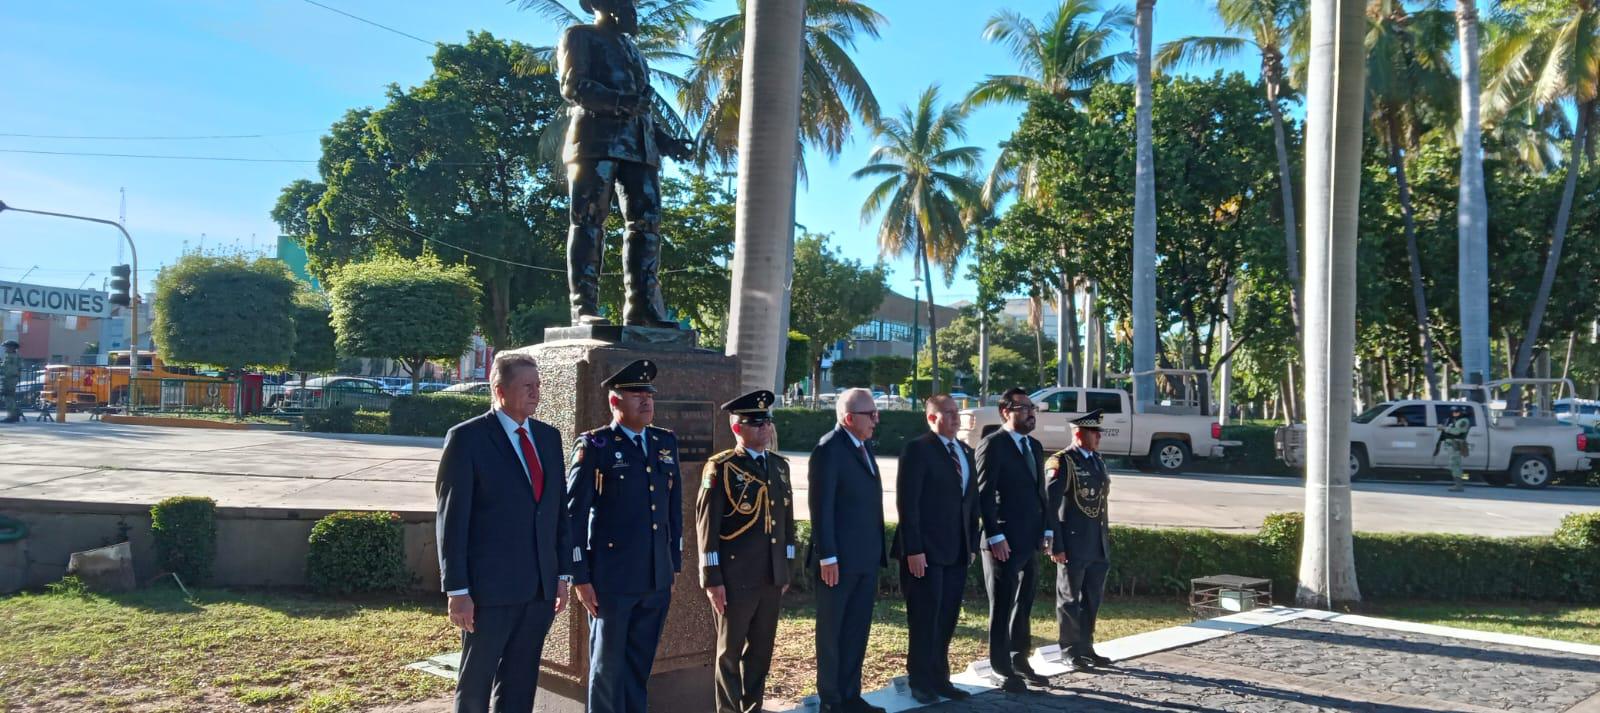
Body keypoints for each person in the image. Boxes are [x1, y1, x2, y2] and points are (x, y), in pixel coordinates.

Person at [435, 351, 571, 713]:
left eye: (538, 385)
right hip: (488, 592)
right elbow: (452, 520)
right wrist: (457, 590)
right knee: (476, 684)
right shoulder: (468, 439)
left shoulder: (548, 438)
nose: (535, 393)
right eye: (527, 386)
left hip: (538, 590)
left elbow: (557, 511)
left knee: (520, 683)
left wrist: (561, 575)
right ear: (499, 390)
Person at [556, 0, 693, 327]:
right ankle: (583, 307)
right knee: (588, 220)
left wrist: (667, 142)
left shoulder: (635, 52)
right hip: (595, 141)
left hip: (640, 149)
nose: (633, 10)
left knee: (647, 224)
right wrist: (620, 102)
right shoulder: (580, 35)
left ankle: (642, 307)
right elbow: (573, 87)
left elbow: (642, 109)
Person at [565, 359, 682, 713]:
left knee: (639, 667)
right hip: (611, 580)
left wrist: (672, 565)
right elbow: (573, 516)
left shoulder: (664, 442)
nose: (646, 401)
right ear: (615, 401)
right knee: (607, 668)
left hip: (655, 578)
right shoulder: (595, 445)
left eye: (649, 395)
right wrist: (580, 577)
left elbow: (673, 510)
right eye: (636, 395)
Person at [697, 390, 795, 713]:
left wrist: (786, 567)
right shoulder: (722, 467)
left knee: (761, 653)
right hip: (735, 578)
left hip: (770, 576)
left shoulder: (778, 466)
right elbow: (707, 527)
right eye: (756, 423)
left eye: (767, 421)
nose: (765, 428)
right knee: (729, 653)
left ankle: (753, 707)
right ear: (737, 428)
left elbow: (786, 523)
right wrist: (712, 578)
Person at [892, 395, 978, 704]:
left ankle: (941, 679)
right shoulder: (918, 449)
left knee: (947, 618)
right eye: (949, 413)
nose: (956, 418)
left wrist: (971, 542)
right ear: (932, 418)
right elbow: (908, 503)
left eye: (957, 413)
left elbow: (971, 503)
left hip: (956, 551)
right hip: (925, 553)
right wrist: (914, 549)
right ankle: (920, 681)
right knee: (924, 618)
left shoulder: (965, 451)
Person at [807, 387, 887, 713]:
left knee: (856, 630)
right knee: (832, 633)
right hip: (837, 562)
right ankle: (831, 700)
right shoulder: (829, 449)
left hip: (864, 558)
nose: (876, 420)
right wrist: (828, 555)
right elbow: (821, 507)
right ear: (849, 417)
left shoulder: (864, 446)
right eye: (871, 414)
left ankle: (851, 695)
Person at [975, 387, 1053, 693]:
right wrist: (994, 534)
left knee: (1024, 604)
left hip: (1030, 540)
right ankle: (1000, 667)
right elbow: (983, 495)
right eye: (1024, 408)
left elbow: (1040, 493)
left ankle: (1020, 660)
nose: (1031, 414)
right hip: (1003, 542)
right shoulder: (993, 444)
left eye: (1032, 408)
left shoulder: (1034, 445)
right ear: (1005, 412)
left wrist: (1046, 530)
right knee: (1003, 604)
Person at [1045, 410, 1114, 672]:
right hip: (1072, 543)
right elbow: (1050, 506)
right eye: (1094, 432)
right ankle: (1069, 650)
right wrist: (1056, 544)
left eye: (1099, 432)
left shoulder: (1097, 460)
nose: (1098, 437)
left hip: (1096, 542)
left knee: (1092, 598)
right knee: (1069, 599)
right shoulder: (1062, 461)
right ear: (1078, 433)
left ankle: (1086, 646)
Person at [1437, 406, 1471, 492]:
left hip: (1456, 444)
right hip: (1451, 444)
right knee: (1454, 464)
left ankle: (1458, 485)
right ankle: (1457, 484)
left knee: (1455, 464)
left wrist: (1444, 428)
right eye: (1453, 412)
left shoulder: (1463, 421)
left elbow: (1457, 431)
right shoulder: (1454, 420)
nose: (1454, 413)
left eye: (1456, 412)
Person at [1, 340, 20, 423]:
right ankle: (14, 415)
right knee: (10, 397)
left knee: (8, 397)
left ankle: (11, 416)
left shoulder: (12, 357)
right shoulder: (11, 356)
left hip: (10, 379)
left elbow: (9, 369)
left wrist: (2, 371)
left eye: (7, 347)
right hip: (10, 378)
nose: (5, 348)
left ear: (12, 347)